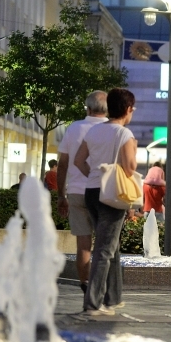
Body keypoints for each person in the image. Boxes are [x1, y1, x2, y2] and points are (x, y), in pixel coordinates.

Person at [73, 88, 137, 316]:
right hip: (112, 195)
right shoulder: (125, 134)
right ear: (127, 109)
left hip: (92, 191)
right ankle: (93, 303)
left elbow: (78, 160)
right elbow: (130, 168)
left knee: (111, 245)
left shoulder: (94, 131)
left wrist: (95, 175)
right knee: (104, 250)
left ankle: (114, 298)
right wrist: (133, 148)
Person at [56, 90, 108, 294]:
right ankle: (102, 289)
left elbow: (63, 164)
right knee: (105, 244)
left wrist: (61, 195)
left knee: (83, 245)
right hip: (104, 192)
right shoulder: (113, 129)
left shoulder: (74, 128)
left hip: (77, 192)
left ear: (88, 108)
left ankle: (86, 286)